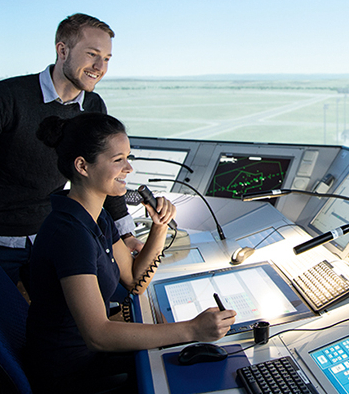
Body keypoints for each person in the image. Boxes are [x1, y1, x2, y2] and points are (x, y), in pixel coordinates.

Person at [0, 13, 144, 294]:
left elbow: (101, 172)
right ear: (62, 50)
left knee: (59, 327)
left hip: (48, 234)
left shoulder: (92, 104)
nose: (99, 67)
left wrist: (126, 233)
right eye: (92, 54)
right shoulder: (7, 96)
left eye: (106, 58)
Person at [26, 113, 236, 392]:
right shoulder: (69, 234)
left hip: (90, 359)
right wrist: (192, 330)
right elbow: (98, 335)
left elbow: (134, 281)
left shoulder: (97, 216)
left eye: (128, 158)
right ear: (82, 166)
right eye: (118, 160)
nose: (129, 169)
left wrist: (159, 229)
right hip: (71, 374)